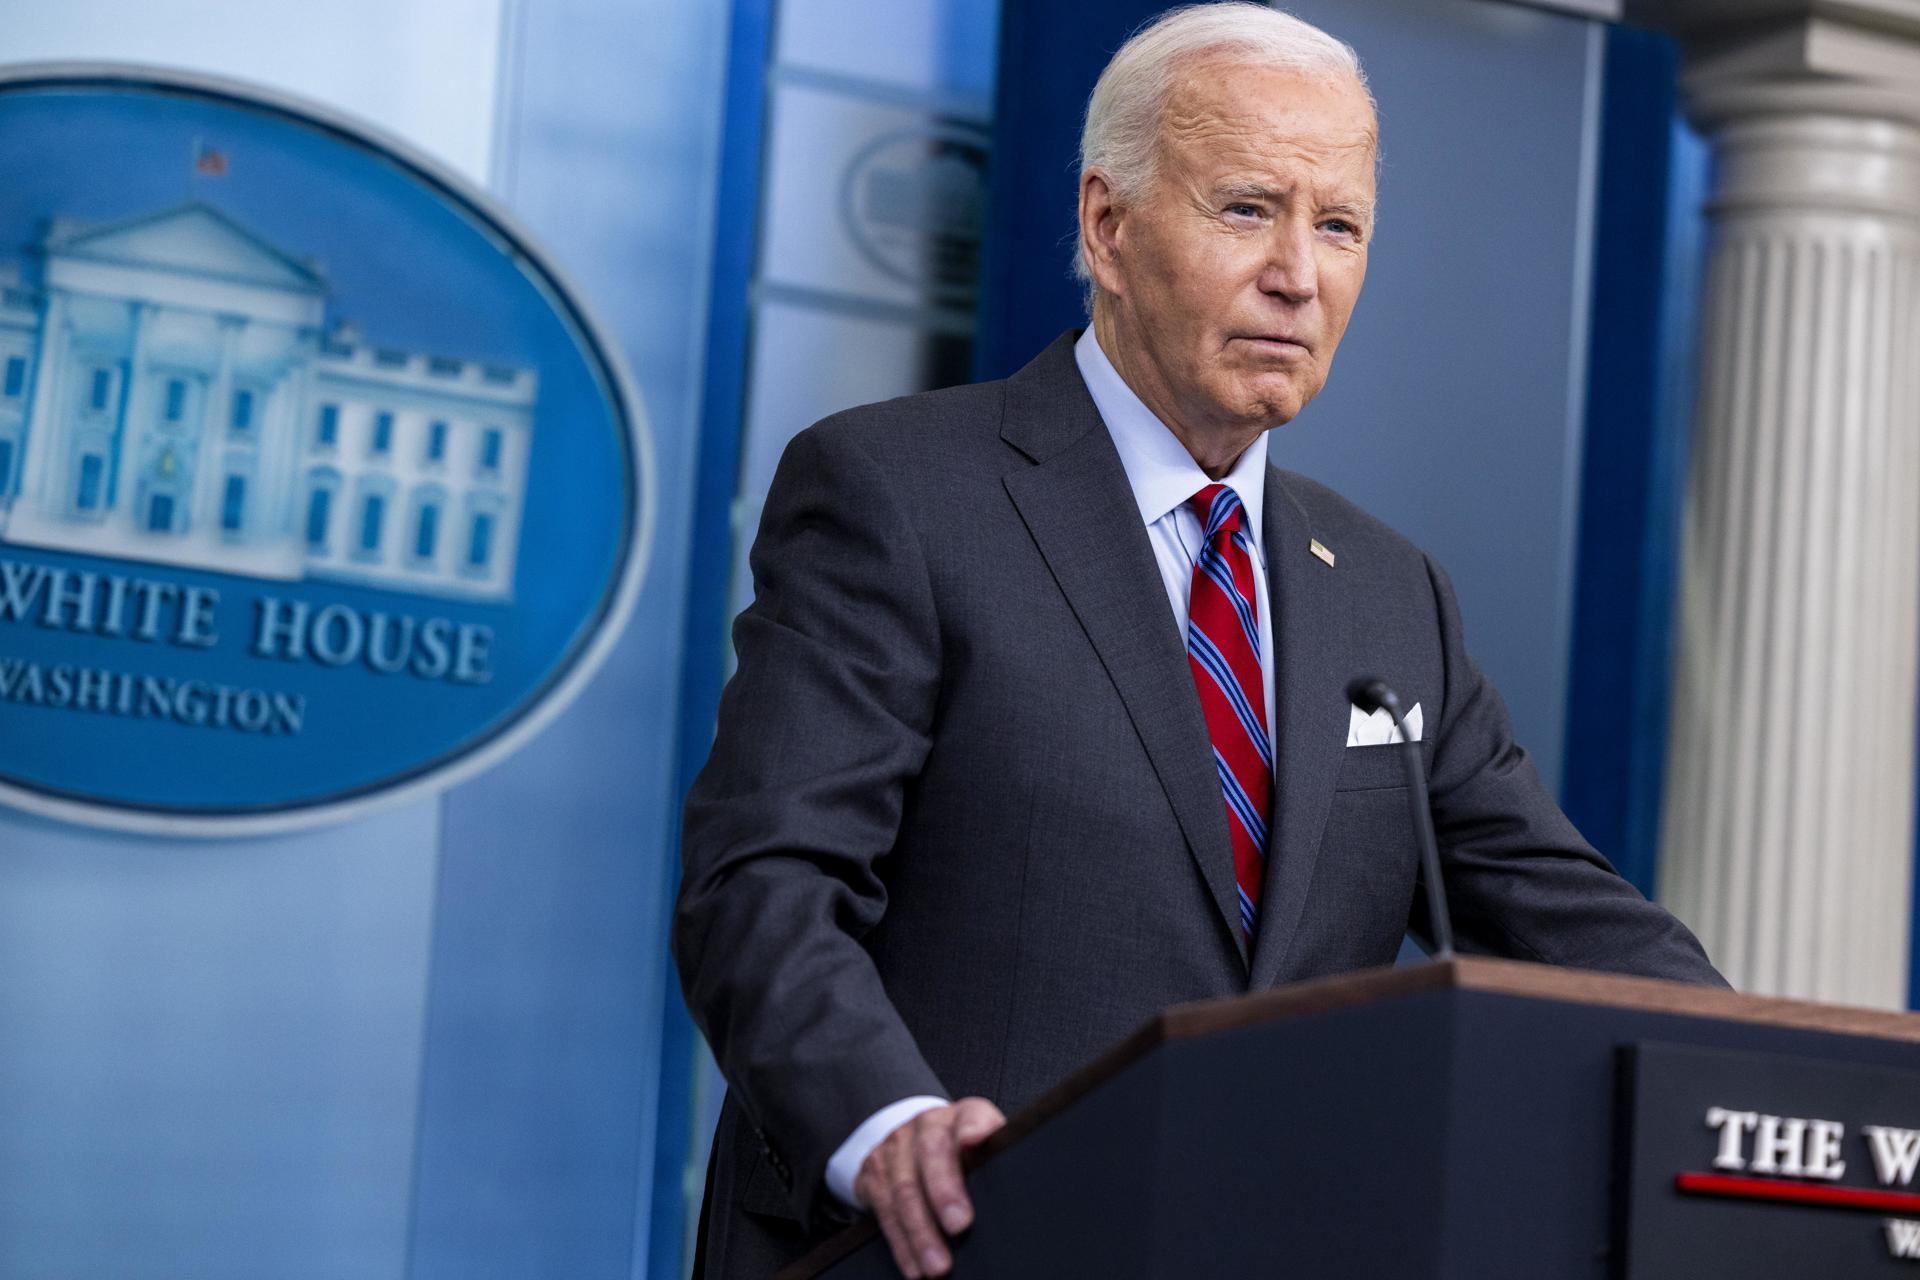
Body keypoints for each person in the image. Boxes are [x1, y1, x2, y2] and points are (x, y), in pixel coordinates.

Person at [674, 6, 1723, 1277]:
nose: (1300, 273)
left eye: (1338, 226)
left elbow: (1575, 924)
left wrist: (1797, 1086)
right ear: (1107, 227)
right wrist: (890, 1124)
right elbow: (765, 885)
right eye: (1247, 209)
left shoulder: (1394, 597)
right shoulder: (898, 493)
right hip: (942, 1245)